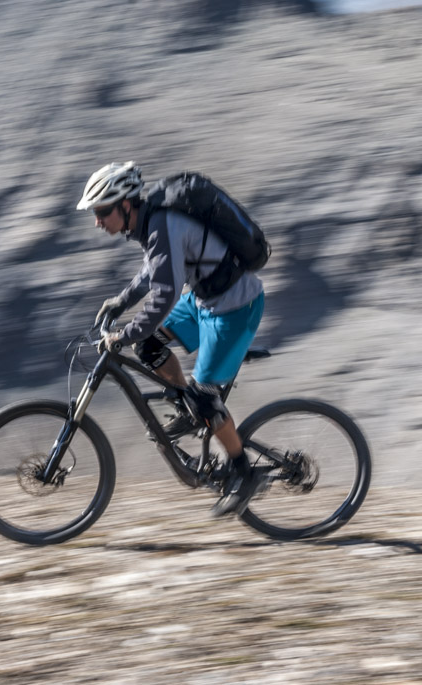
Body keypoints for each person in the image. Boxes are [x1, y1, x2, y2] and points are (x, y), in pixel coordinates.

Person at [77, 161, 266, 517]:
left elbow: (163, 297)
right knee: (148, 345)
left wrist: (123, 333)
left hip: (235, 308)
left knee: (205, 399)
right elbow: (151, 271)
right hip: (204, 302)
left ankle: (244, 472)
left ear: (126, 205)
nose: (98, 222)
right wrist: (121, 302)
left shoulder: (161, 226)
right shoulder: (151, 223)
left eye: (102, 212)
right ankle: (187, 408)